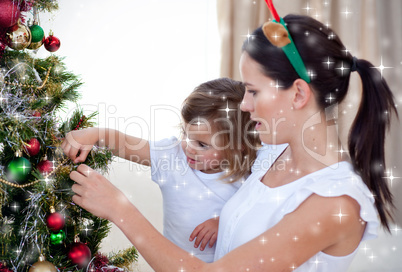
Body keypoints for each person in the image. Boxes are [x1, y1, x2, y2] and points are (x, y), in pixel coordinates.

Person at [66, 14, 397, 271]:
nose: (244, 105)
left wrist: (119, 209)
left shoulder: (334, 205)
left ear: (298, 93)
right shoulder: (272, 154)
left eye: (253, 91)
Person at [62, 78, 260, 263]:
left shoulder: (250, 174)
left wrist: (222, 222)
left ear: (238, 146)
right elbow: (128, 144)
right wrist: (94, 134)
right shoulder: (173, 157)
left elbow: (257, 215)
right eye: (186, 134)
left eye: (202, 144)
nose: (189, 147)